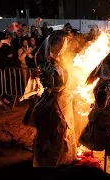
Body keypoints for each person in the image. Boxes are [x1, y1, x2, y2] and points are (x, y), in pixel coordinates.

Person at [29, 30, 76, 167]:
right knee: (54, 135)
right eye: (65, 43)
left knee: (61, 133)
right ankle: (51, 163)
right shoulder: (51, 65)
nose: (66, 46)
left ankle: (61, 160)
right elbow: (56, 85)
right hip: (54, 104)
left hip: (62, 101)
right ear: (58, 45)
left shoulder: (58, 62)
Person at [79, 50, 110, 156]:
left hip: (104, 122)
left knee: (103, 142)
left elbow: (101, 105)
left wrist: (95, 106)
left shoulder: (104, 85)